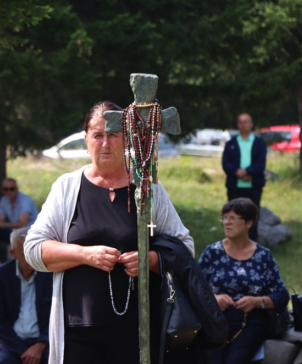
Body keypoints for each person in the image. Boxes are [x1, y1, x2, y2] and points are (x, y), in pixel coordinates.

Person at [24, 102, 199, 364]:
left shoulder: (147, 189)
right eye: (97, 135)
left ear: (126, 139)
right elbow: (33, 250)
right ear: (86, 140)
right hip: (77, 332)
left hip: (137, 332)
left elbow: (185, 247)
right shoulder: (67, 187)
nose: (105, 143)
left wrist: (149, 260)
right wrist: (84, 255)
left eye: (113, 134)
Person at [198, 198, 289, 364]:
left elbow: (282, 295)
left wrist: (257, 302)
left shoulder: (263, 256)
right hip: (216, 322)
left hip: (251, 323)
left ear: (249, 223)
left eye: (233, 218)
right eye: (224, 218)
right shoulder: (212, 252)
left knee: (236, 360)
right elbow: (195, 289)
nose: (227, 223)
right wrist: (214, 299)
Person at [0, 227, 52, 364]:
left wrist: (40, 345)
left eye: (33, 253)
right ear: (13, 253)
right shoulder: (1, 275)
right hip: (10, 340)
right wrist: (22, 350)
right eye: (25, 254)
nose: (31, 259)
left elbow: (57, 314)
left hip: (43, 340)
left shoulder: (50, 274)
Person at [222, 113, 267, 241]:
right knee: (233, 216)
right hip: (235, 186)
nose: (243, 124)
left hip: (253, 186)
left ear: (251, 124)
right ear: (238, 125)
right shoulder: (231, 143)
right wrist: (237, 172)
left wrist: (248, 172)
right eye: (241, 122)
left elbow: (260, 162)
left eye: (246, 122)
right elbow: (226, 163)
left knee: (251, 216)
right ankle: (234, 242)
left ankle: (251, 244)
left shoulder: (259, 143)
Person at [0, 178, 39, 267]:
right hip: (16, 233)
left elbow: (23, 224)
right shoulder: (3, 201)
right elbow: (0, 220)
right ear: (2, 190)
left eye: (12, 189)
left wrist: (3, 225)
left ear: (16, 189)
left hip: (30, 233)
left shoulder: (25, 200)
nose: (9, 192)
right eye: (6, 189)